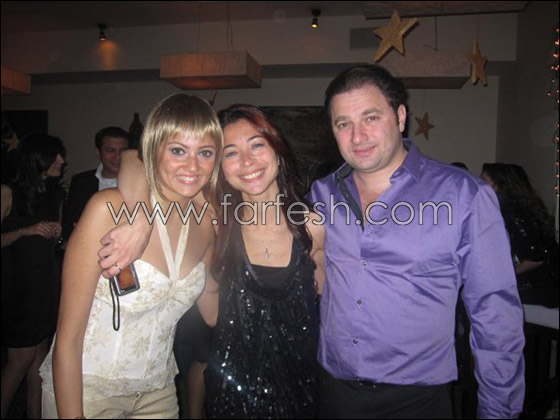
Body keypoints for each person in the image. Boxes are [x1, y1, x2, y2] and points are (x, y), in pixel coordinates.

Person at [309, 65, 524, 419]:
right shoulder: (321, 194)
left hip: (417, 399)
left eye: (371, 118)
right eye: (343, 123)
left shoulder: (464, 194)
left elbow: (495, 312)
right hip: (334, 390)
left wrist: (498, 411)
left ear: (400, 116)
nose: (357, 136)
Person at [97, 104, 326, 418]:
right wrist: (141, 218)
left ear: (277, 150)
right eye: (231, 153)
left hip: (301, 390)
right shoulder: (216, 218)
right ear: (220, 166)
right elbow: (134, 159)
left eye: (257, 145)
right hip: (232, 391)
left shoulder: (313, 225)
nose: (247, 161)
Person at [39, 93, 221, 419]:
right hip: (87, 390)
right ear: (154, 150)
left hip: (158, 390)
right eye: (178, 150)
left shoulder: (205, 222)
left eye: (205, 152)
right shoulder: (107, 209)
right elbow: (67, 338)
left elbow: (213, 311)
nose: (193, 166)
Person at [1, 133, 66, 419]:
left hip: (45, 284)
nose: (62, 161)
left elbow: (49, 244)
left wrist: (56, 233)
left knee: (40, 362)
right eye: (55, 155)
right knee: (21, 359)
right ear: (36, 158)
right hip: (18, 289)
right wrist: (24, 231)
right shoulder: (7, 192)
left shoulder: (52, 193)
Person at [481, 163, 558, 308]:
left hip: (537, 286)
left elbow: (535, 257)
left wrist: (506, 275)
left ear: (499, 185)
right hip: (541, 283)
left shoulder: (513, 212)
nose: (480, 186)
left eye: (485, 181)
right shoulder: (521, 206)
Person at [62, 126, 129, 241]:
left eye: (122, 151)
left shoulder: (140, 181)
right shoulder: (81, 181)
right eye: (110, 151)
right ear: (98, 152)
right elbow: (69, 223)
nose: (117, 157)